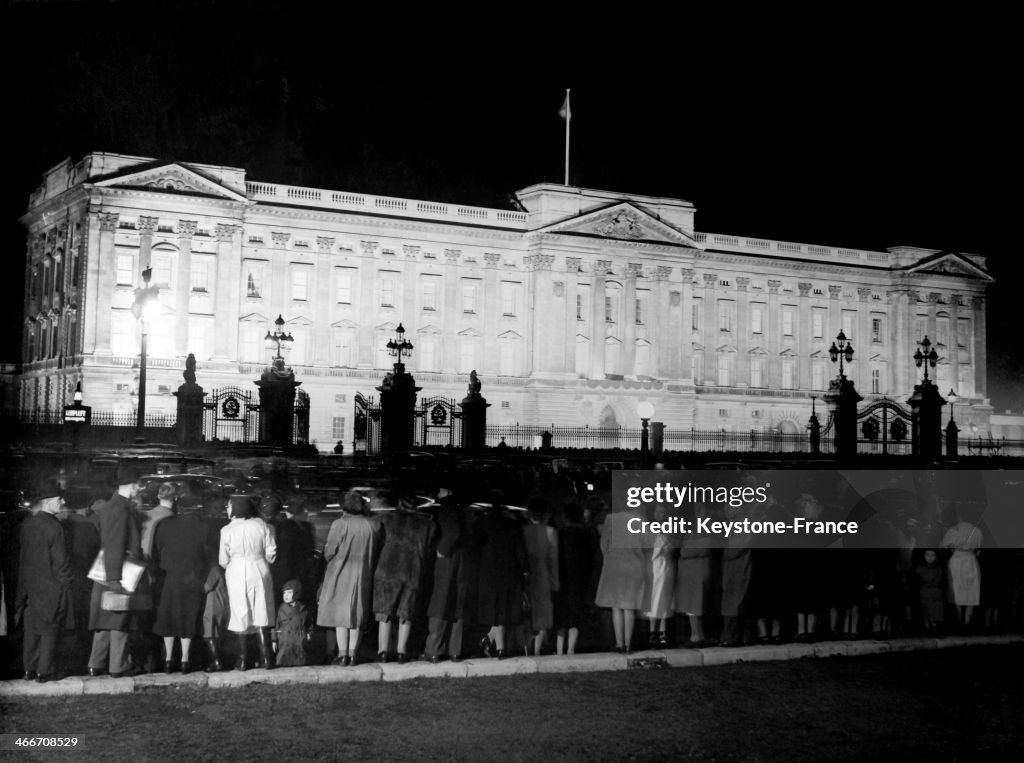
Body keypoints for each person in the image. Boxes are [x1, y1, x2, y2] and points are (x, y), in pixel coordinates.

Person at [15, 489, 75, 682]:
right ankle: (45, 671)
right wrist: (67, 583)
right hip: (52, 586)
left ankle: (29, 670)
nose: (63, 501)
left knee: (32, 630)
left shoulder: (27, 524)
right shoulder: (54, 527)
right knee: (50, 629)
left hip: (30, 586)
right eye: (59, 499)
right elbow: (61, 561)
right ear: (48, 502)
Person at [152, 493, 216, 673]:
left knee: (168, 618)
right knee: (188, 618)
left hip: (170, 576)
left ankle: (168, 659)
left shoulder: (164, 525)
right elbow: (208, 554)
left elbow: (157, 550)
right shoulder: (204, 527)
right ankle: (185, 659)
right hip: (193, 577)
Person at [317, 489, 380, 666]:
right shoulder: (372, 525)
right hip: (362, 574)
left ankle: (342, 654)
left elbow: (329, 551)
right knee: (357, 615)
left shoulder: (340, 524)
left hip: (340, 573)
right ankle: (353, 654)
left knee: (341, 616)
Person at [87, 479, 143, 678]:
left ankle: (96, 663)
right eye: (138, 484)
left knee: (104, 620)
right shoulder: (121, 508)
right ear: (129, 485)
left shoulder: (112, 506)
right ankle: (118, 666)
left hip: (107, 571)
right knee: (119, 619)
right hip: (118, 571)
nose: (140, 489)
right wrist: (115, 579)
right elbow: (116, 544)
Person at [372, 490, 435, 663]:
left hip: (387, 571)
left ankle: (383, 651)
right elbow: (429, 549)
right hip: (412, 572)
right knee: (406, 613)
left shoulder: (386, 520)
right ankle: (401, 651)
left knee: (385, 612)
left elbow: (376, 541)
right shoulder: (426, 525)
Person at [220, 494, 277, 671]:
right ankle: (266, 657)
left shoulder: (226, 530)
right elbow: (271, 552)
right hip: (259, 567)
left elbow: (223, 559)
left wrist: (232, 564)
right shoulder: (262, 526)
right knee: (261, 610)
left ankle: (243, 659)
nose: (227, 509)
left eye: (229, 506)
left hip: (237, 569)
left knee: (240, 611)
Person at [594, 497, 647, 654]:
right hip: (634, 565)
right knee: (629, 606)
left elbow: (604, 542)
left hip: (615, 564)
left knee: (616, 606)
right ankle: (628, 645)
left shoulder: (610, 519)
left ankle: (619, 643)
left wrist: (609, 558)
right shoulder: (640, 520)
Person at [423, 487, 468, 663]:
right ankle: (455, 651)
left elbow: (452, 533)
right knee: (458, 606)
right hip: (461, 562)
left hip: (448, 562)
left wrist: (441, 550)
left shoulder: (446, 510)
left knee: (440, 604)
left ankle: (434, 650)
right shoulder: (460, 510)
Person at [522, 497, 559, 656]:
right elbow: (553, 560)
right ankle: (537, 649)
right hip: (542, 573)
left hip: (526, 574)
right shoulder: (550, 532)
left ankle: (526, 647)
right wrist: (555, 582)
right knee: (542, 612)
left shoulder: (522, 530)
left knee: (527, 611)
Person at [942, 505, 982, 630]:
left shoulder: (952, 530)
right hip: (971, 560)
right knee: (971, 593)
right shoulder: (978, 531)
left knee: (957, 591)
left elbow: (945, 546)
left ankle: (958, 623)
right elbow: (978, 550)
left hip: (956, 560)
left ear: (959, 516)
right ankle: (967, 624)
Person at [273, 579, 311, 667]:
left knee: (299, 662)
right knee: (283, 662)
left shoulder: (303, 610)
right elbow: (276, 626)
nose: (286, 596)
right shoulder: (281, 610)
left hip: (298, 640)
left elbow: (309, 624)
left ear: (297, 593)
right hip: (285, 640)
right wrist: (274, 640)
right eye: (284, 593)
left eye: (289, 593)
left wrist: (309, 634)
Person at [915, 549, 945, 636]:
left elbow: (940, 581)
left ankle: (935, 627)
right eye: (927, 555)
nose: (930, 558)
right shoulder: (920, 569)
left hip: (936, 593)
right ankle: (927, 628)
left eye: (933, 555)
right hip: (925, 593)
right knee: (926, 609)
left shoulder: (939, 569)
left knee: (936, 609)